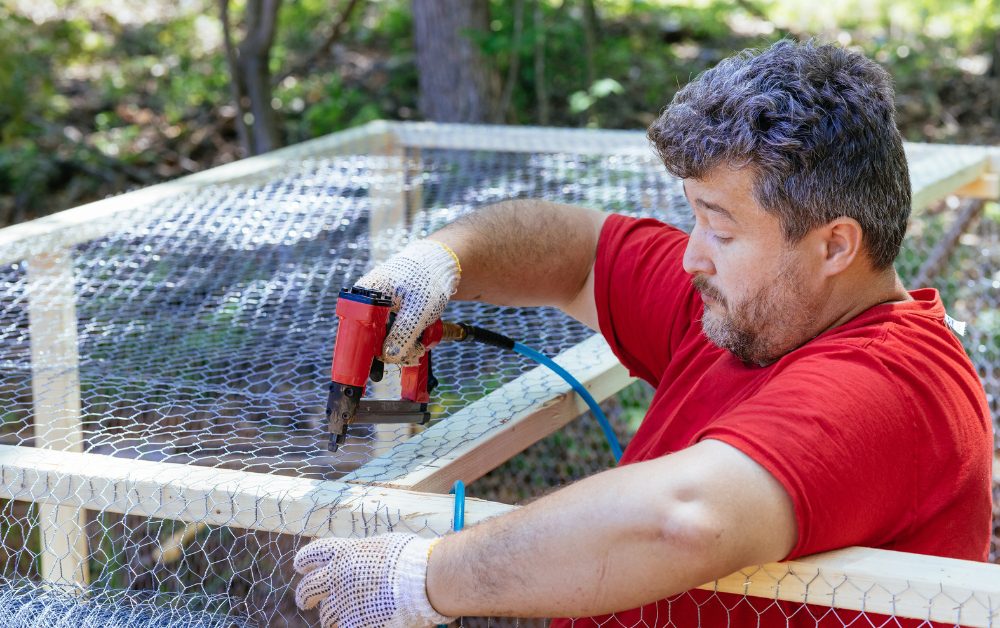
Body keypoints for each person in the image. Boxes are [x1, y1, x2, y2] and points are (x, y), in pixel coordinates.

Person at [292, 40, 993, 628]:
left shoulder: (888, 385)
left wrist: (424, 574)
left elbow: (682, 518)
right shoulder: (749, 310)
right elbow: (579, 254)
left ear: (835, 246)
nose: (693, 255)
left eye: (720, 227)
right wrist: (442, 261)